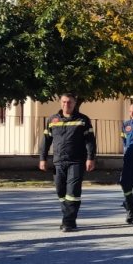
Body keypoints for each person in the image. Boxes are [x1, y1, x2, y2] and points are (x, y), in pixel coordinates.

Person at [39, 93, 96, 232]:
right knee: (61, 191)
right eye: (64, 102)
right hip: (58, 161)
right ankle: (67, 217)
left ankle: (68, 222)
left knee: (73, 191)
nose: (66, 104)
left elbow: (90, 141)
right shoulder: (53, 120)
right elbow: (46, 141)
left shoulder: (83, 120)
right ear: (60, 102)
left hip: (77, 161)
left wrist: (90, 158)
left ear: (75, 103)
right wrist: (42, 158)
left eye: (69, 102)